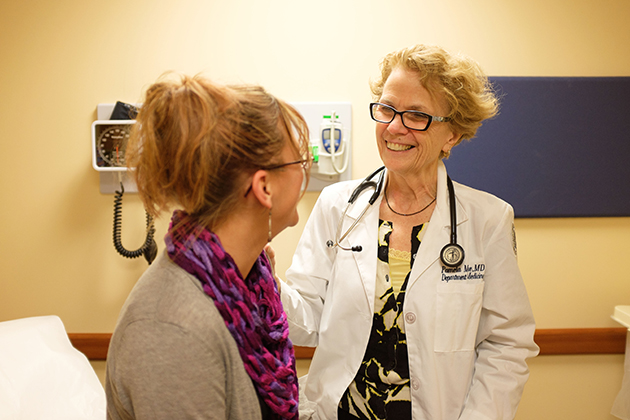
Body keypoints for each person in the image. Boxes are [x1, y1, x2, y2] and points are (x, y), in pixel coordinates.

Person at [277, 45, 539, 420]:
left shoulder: (487, 219)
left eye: (416, 115)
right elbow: (307, 320)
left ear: (453, 134)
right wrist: (261, 276)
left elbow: (507, 344)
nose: (394, 127)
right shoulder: (337, 206)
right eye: (386, 109)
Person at [105, 73, 312, 420]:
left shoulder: (249, 289)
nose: (306, 173)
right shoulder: (173, 330)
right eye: (300, 162)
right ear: (264, 187)